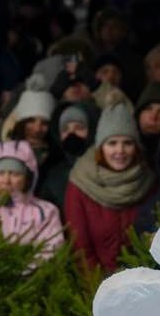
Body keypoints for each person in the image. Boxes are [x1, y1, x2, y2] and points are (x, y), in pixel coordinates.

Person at [64, 100, 155, 273]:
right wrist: (98, 288)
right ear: (101, 147)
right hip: (96, 285)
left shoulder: (148, 181)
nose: (120, 150)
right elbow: (80, 247)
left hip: (144, 281)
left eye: (127, 143)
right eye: (112, 143)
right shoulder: (80, 183)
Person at [0, 140, 64, 260]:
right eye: (0, 173)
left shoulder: (45, 212)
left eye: (15, 174)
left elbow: (53, 249)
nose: (6, 180)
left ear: (27, 178)